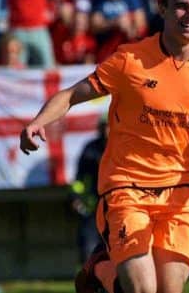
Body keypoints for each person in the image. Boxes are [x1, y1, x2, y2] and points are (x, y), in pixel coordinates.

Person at [19, 0, 189, 293]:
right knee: (143, 290)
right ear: (162, 8)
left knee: (169, 289)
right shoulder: (130, 60)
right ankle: (108, 274)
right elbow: (70, 95)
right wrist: (39, 121)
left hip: (181, 191)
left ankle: (104, 272)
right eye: (181, 6)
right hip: (127, 188)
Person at [70, 114, 108, 265]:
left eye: (110, 126)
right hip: (92, 207)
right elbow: (79, 178)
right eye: (104, 126)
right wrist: (75, 197)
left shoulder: (123, 147)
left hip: (119, 206)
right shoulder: (90, 149)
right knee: (88, 247)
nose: (107, 130)